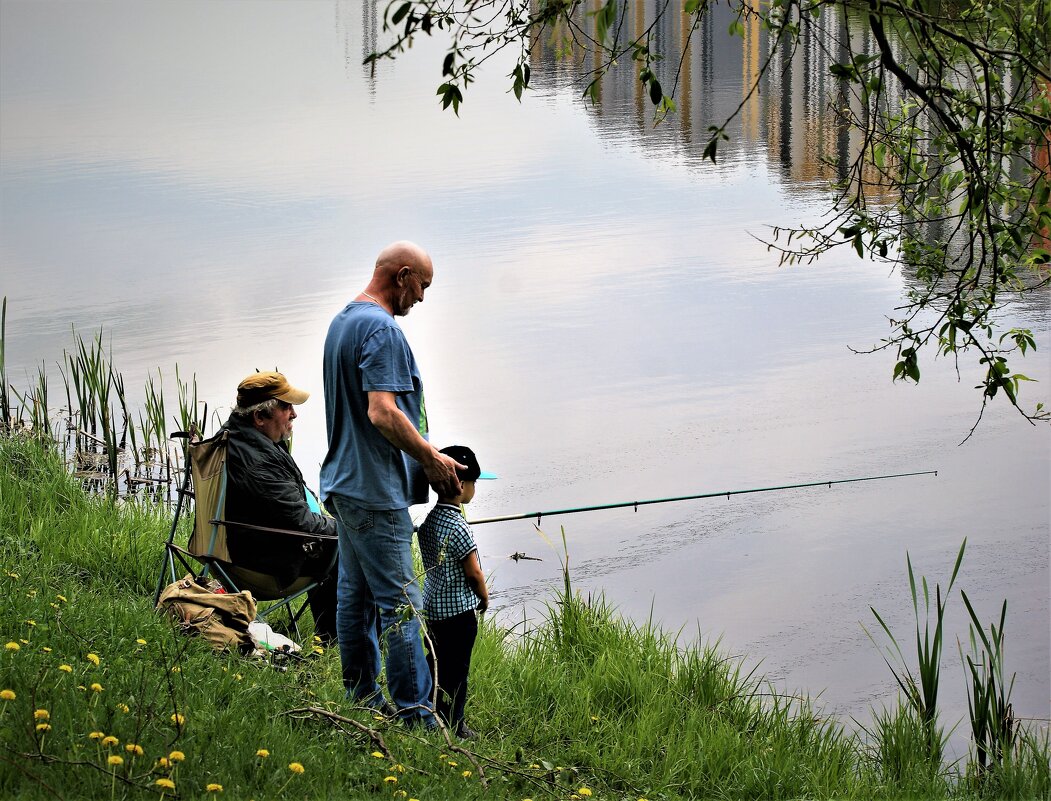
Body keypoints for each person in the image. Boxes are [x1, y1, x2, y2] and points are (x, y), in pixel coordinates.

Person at [320, 240, 464, 727]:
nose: (422, 298)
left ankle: (360, 698)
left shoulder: (343, 321)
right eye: (422, 285)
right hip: (374, 492)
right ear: (402, 276)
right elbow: (382, 411)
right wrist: (429, 458)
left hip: (344, 484)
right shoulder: (381, 330)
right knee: (403, 607)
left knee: (355, 598)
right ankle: (416, 715)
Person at [223, 371, 338, 643]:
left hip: (237, 549)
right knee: (346, 545)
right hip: (261, 565)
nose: (294, 414)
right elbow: (302, 523)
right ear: (259, 417)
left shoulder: (235, 437)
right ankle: (334, 638)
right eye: (285, 406)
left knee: (334, 538)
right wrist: (344, 529)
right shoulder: (258, 462)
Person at [418, 445, 495, 739]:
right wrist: (484, 597)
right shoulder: (459, 526)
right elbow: (473, 572)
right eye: (473, 483)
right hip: (459, 614)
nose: (474, 488)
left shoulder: (428, 523)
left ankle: (427, 703)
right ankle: (455, 723)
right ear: (461, 485)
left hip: (433, 608)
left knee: (436, 658)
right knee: (458, 670)